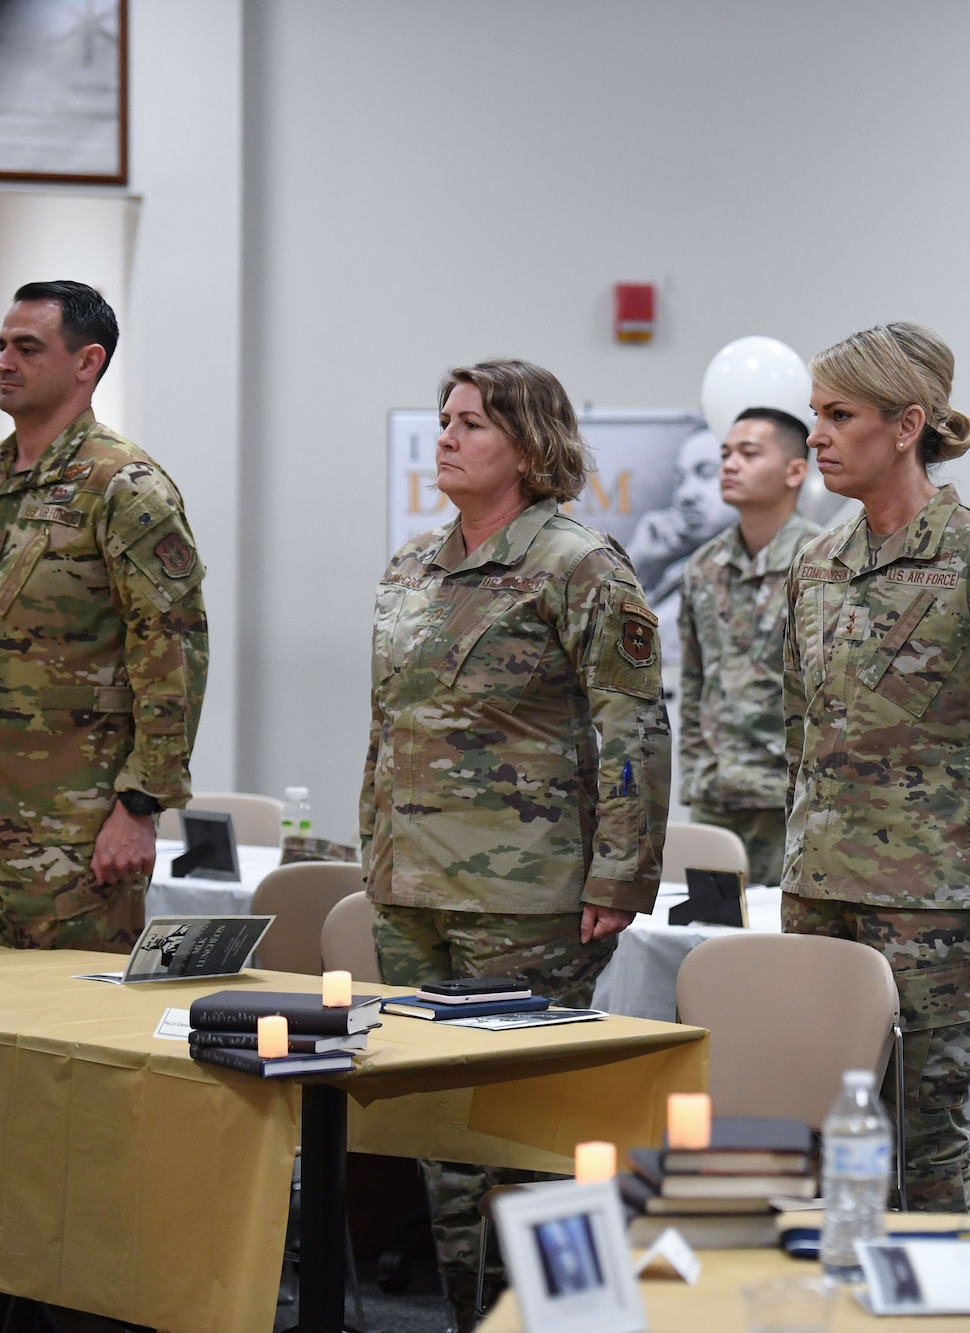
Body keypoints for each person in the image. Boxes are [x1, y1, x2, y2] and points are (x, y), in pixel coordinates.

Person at [362, 358, 671, 1326]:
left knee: (519, 1140)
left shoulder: (580, 564)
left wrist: (621, 871)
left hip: (525, 897)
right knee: (439, 1144)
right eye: (443, 420)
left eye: (471, 424)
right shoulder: (412, 565)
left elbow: (634, 727)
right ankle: (472, 1316)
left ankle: (553, 1318)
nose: (446, 437)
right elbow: (387, 726)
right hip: (411, 889)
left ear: (530, 449)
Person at [784, 322, 970, 1211]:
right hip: (820, 890)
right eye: (814, 414)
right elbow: (804, 728)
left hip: (934, 906)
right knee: (827, 1135)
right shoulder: (817, 563)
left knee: (927, 1143)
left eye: (839, 414)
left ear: (907, 425)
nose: (817, 436)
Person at [0, 281, 207, 953]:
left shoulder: (124, 486)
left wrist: (140, 805)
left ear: (87, 362)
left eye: (26, 347)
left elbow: (173, 653)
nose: (2, 362)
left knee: (71, 1034)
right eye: (0, 345)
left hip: (72, 834)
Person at [678, 407, 818, 885]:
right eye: (725, 454)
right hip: (717, 800)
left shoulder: (824, 564)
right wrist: (696, 769)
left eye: (748, 453)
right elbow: (694, 680)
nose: (730, 465)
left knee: (789, 952)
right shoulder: (704, 566)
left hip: (793, 804)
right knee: (713, 941)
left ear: (795, 471)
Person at [629, 426, 734, 660]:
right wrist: (637, 566)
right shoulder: (679, 571)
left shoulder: (766, 572)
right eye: (680, 479)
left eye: (706, 473)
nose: (685, 495)